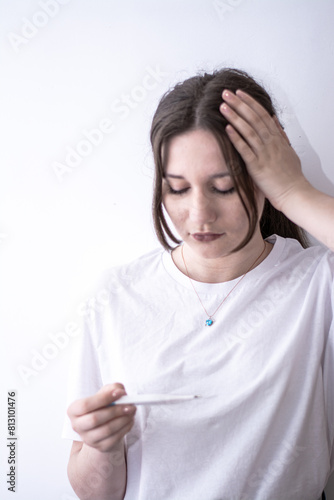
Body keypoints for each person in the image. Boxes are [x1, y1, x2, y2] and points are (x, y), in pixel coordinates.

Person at [62, 68, 334, 500]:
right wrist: (102, 445)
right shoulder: (116, 294)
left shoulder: (316, 283)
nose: (199, 215)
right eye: (177, 189)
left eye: (223, 187)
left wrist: (294, 189)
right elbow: (96, 493)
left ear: (265, 178)